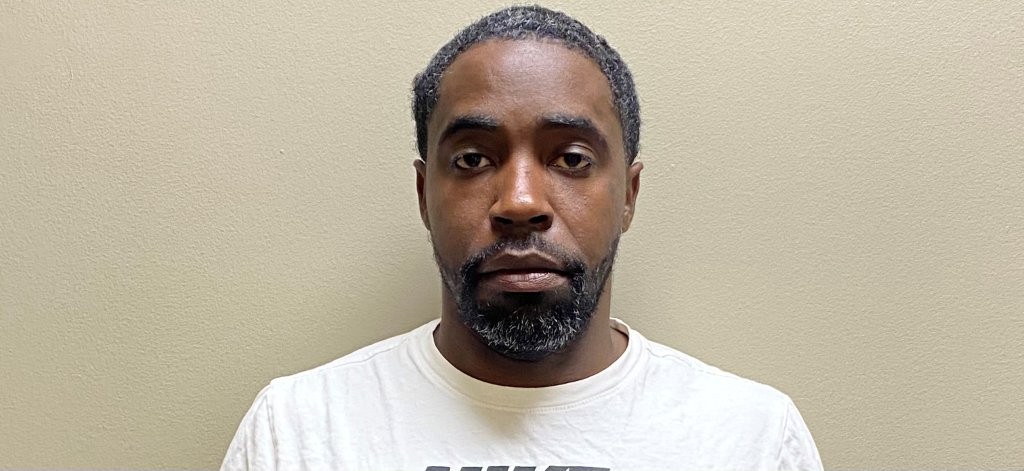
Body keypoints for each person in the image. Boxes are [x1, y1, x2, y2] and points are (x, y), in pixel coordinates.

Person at [221, 5, 823, 470]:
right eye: (473, 160)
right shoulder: (296, 430)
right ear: (424, 194)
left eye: (572, 159)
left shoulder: (752, 438)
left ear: (629, 195)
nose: (520, 202)